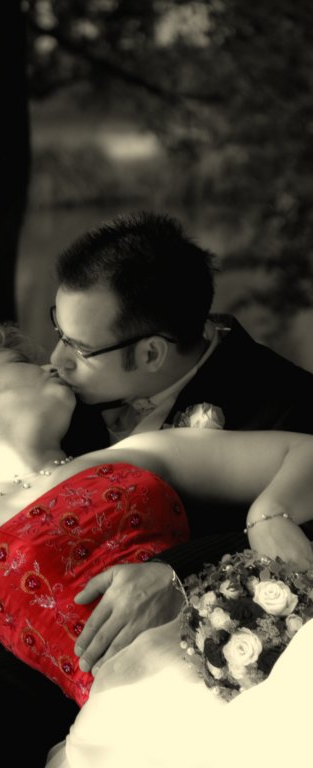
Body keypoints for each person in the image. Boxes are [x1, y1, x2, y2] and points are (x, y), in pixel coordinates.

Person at [0, 322, 312, 767]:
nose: (52, 365)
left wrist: (269, 511)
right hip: (119, 699)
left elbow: (302, 450)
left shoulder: (137, 452)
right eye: (23, 362)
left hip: (231, 638)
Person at [49, 209, 313, 676]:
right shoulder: (56, 398)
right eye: (58, 332)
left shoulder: (289, 405)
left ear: (151, 352)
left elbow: (292, 547)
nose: (57, 360)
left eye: (80, 349)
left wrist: (173, 570)